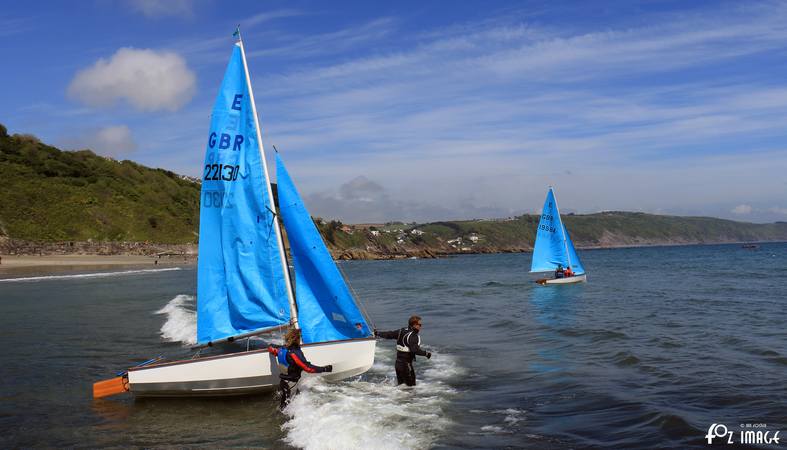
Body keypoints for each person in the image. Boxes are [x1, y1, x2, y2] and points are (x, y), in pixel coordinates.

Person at [268, 327, 332, 409]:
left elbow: (270, 348)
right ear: (297, 339)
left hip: (283, 382)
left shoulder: (280, 349)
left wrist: (270, 346)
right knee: (288, 408)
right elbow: (308, 368)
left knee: (283, 405)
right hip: (291, 384)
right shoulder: (295, 353)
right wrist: (325, 369)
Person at [374, 315, 432, 386]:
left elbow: (389, 334)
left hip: (398, 364)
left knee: (401, 387)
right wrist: (426, 354)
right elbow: (415, 350)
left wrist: (378, 333)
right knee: (411, 388)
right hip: (406, 365)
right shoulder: (413, 336)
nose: (421, 326)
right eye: (419, 325)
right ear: (414, 325)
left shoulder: (401, 331)